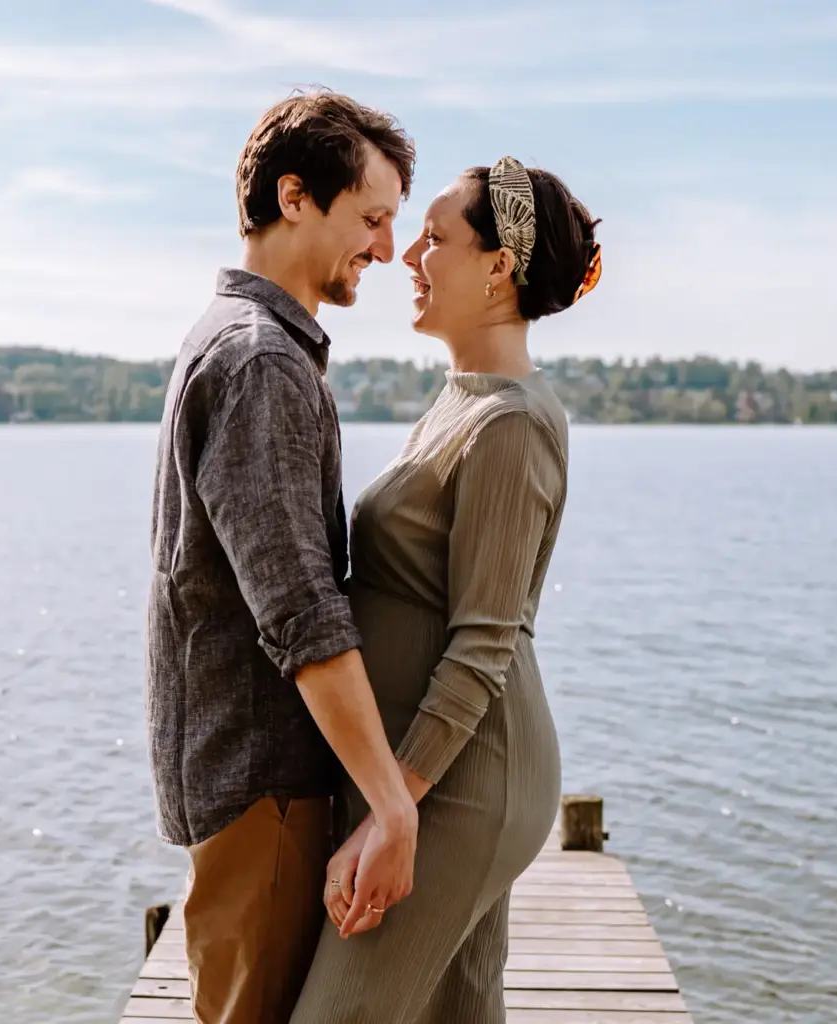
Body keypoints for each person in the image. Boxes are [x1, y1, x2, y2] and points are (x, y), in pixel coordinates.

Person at [291, 156, 602, 1024]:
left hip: (465, 782)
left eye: (435, 238)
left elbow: (484, 644)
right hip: (437, 773)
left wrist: (396, 808)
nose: (407, 256)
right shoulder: (462, 398)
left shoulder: (510, 426)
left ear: (499, 267)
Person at [144, 89, 422, 1024]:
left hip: (249, 776)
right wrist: (394, 805)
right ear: (294, 195)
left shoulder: (238, 341)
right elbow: (298, 610)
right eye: (373, 218)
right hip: (262, 781)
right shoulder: (260, 361)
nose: (387, 248)